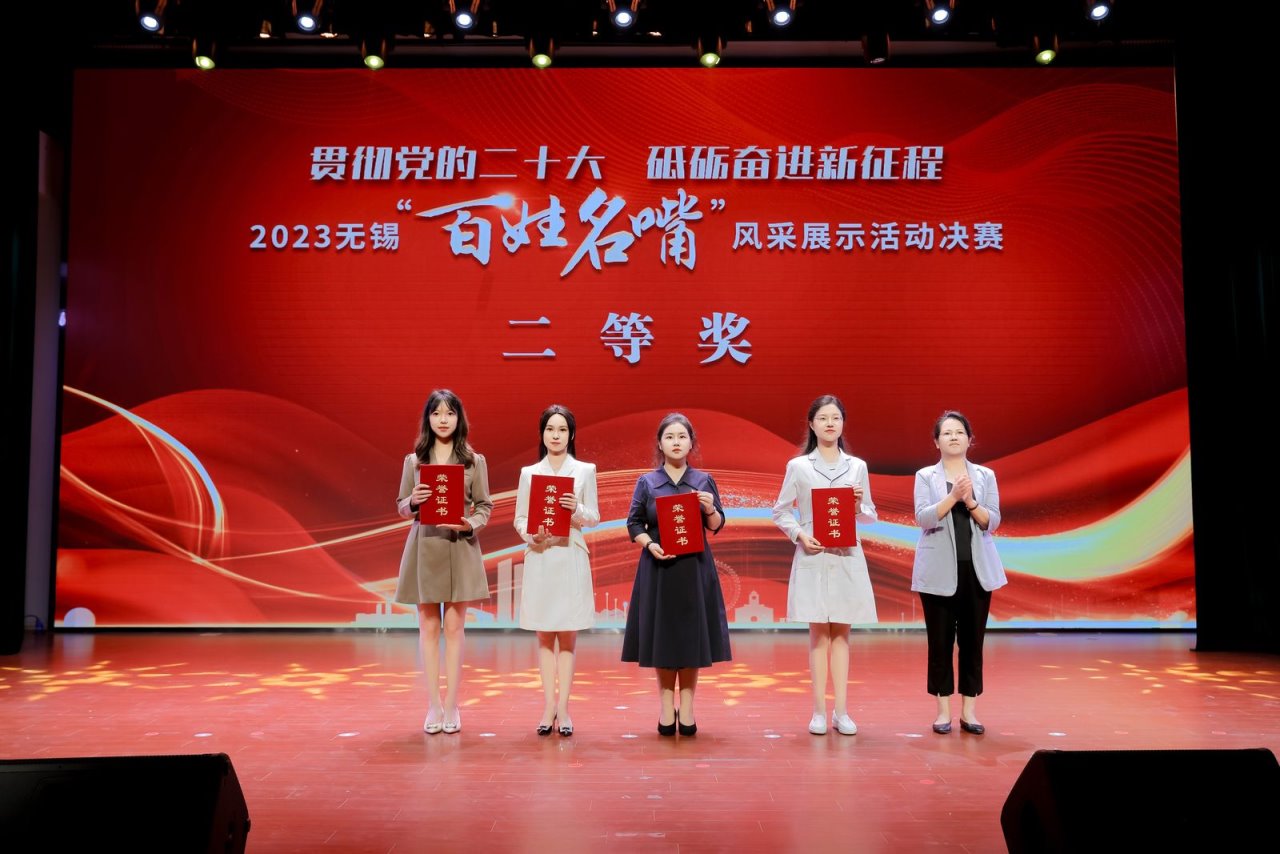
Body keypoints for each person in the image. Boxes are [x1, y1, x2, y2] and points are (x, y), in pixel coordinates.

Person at [772, 395, 878, 736]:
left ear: (843, 423)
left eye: (836, 418)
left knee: (842, 635)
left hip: (847, 556)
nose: (830, 423)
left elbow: (870, 515)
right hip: (813, 555)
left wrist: (859, 506)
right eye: (823, 418)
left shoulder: (857, 466)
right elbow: (780, 511)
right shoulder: (798, 466)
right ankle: (818, 711)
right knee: (818, 634)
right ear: (812, 424)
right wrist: (800, 535)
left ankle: (841, 712)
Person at [621, 413, 731, 736]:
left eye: (682, 436)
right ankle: (666, 707)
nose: (676, 442)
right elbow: (634, 523)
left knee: (691, 639)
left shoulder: (703, 480)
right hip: (659, 568)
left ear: (691, 443)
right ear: (660, 443)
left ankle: (689, 707)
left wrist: (710, 508)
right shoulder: (647, 482)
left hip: (694, 570)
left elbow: (717, 524)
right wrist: (649, 544)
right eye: (669, 437)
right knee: (663, 639)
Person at [395, 389, 493, 735]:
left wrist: (470, 523)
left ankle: (452, 704)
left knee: (454, 629)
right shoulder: (414, 461)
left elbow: (484, 506)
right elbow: (401, 506)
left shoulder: (473, 461)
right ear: (428, 419)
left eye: (450, 413)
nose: (443, 419)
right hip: (424, 546)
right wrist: (413, 500)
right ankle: (433, 705)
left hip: (458, 546)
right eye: (436, 413)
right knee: (428, 629)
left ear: (459, 418)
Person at [911, 410, 1007, 735]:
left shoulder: (985, 475)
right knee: (939, 644)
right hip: (937, 572)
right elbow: (923, 518)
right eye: (947, 433)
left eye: (959, 432)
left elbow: (993, 521)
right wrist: (953, 497)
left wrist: (971, 502)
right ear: (936, 442)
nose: (953, 437)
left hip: (977, 572)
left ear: (969, 439)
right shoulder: (926, 476)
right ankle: (942, 712)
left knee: (972, 643)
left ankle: (969, 711)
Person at [514, 405, 600, 737]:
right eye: (550, 429)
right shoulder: (529, 473)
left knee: (567, 635)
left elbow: (594, 517)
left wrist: (576, 509)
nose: (556, 435)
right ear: (542, 434)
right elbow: (520, 518)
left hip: (570, 556)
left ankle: (563, 708)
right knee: (544, 634)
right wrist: (531, 534)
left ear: (571, 434)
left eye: (562, 429)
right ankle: (548, 705)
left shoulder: (585, 470)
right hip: (541, 555)